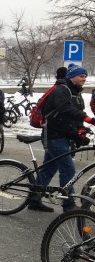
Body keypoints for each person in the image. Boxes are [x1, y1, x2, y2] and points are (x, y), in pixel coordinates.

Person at [27, 64, 94, 212]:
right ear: (71, 76)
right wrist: (88, 119)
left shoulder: (76, 93)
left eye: (85, 76)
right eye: (81, 76)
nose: (84, 79)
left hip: (63, 135)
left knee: (48, 169)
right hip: (54, 136)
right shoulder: (61, 91)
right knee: (68, 170)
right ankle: (68, 205)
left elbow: (74, 116)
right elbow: (65, 110)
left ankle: (34, 200)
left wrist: (80, 130)